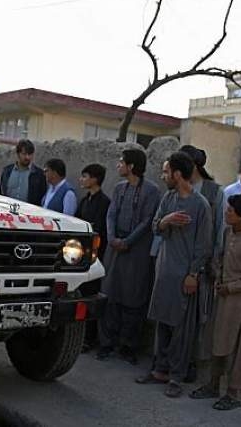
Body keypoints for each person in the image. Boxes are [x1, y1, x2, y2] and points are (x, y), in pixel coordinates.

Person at [136, 151, 212, 398]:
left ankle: (176, 376)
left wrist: (193, 274)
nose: (164, 175)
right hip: (165, 270)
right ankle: (159, 369)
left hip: (184, 275)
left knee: (181, 327)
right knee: (162, 321)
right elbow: (156, 226)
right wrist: (166, 220)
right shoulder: (167, 198)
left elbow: (204, 245)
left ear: (178, 174)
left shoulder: (200, 205)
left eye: (167, 171)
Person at [189, 194, 241, 410]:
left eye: (230, 210)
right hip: (221, 297)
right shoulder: (227, 233)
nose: (226, 213)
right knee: (217, 342)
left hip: (238, 302)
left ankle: (233, 392)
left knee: (235, 348)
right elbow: (222, 259)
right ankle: (213, 385)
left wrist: (232, 286)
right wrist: (218, 272)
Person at [98, 149, 161, 365]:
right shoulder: (118, 188)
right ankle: (106, 343)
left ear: (132, 166)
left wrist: (128, 241)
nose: (118, 165)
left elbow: (147, 221)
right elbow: (111, 214)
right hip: (115, 248)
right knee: (110, 294)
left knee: (133, 299)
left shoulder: (151, 191)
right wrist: (112, 237)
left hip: (136, 251)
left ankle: (128, 346)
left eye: (122, 162)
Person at [178, 144, 225, 383]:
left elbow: (219, 231)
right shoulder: (177, 190)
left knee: (199, 317)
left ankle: (193, 362)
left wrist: (213, 263)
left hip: (203, 266)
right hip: (178, 262)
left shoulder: (215, 192)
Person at [75, 163, 111, 351]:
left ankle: (90, 338)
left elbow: (100, 231)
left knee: (91, 296)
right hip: (79, 257)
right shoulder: (84, 200)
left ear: (95, 179)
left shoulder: (104, 202)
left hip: (94, 257)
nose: (81, 179)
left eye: (85, 176)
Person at [0, 139, 47, 206]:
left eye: (29, 154)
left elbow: (42, 198)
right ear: (18, 154)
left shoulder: (39, 175)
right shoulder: (7, 171)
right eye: (24, 154)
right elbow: (0, 192)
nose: (27, 157)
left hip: (29, 213)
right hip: (6, 211)